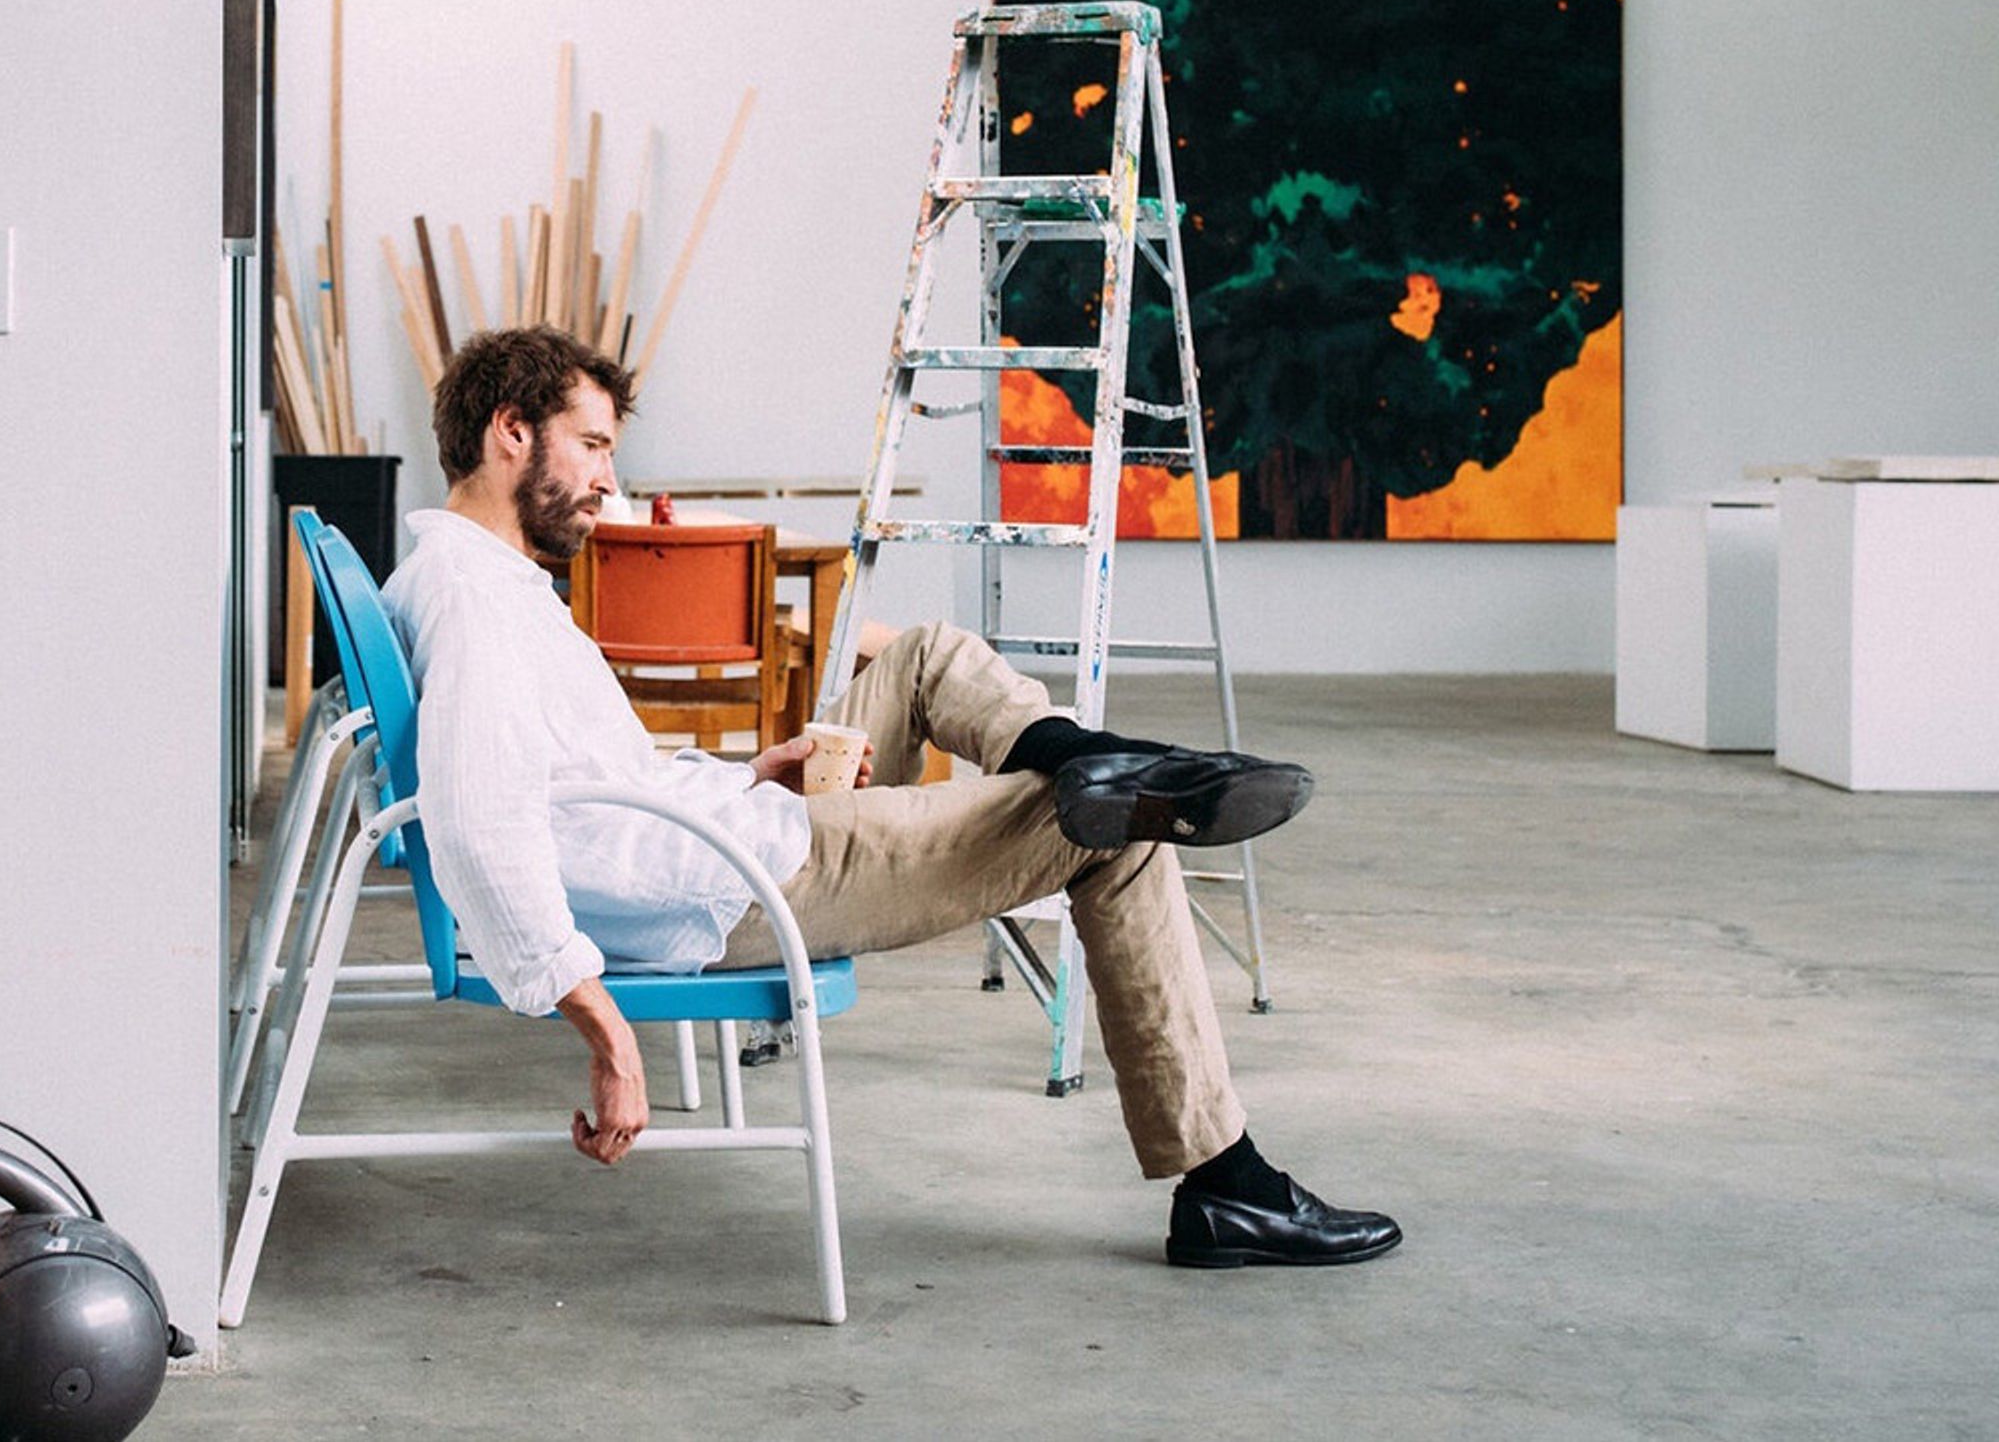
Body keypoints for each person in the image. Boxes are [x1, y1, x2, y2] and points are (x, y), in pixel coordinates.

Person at [379, 325, 1401, 1268]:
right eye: (592, 445)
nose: (610, 478)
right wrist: (604, 1031)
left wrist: (747, 771)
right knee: (1122, 830)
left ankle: (1091, 752)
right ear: (512, 433)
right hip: (746, 881)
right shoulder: (476, 604)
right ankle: (1229, 1185)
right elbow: (480, 821)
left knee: (919, 658)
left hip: (726, 832)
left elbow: (581, 790)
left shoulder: (474, 578)